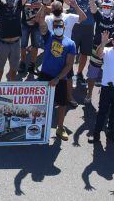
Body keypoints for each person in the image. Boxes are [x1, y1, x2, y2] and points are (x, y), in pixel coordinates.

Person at [36, 9, 77, 140]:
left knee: (62, 104)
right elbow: (41, 22)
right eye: (56, 26)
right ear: (52, 28)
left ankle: (60, 128)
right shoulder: (48, 36)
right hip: (45, 75)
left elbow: (69, 64)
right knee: (42, 103)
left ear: (64, 27)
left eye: (60, 26)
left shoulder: (70, 43)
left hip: (60, 78)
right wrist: (43, 5)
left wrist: (57, 78)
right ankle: (40, 126)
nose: (58, 28)